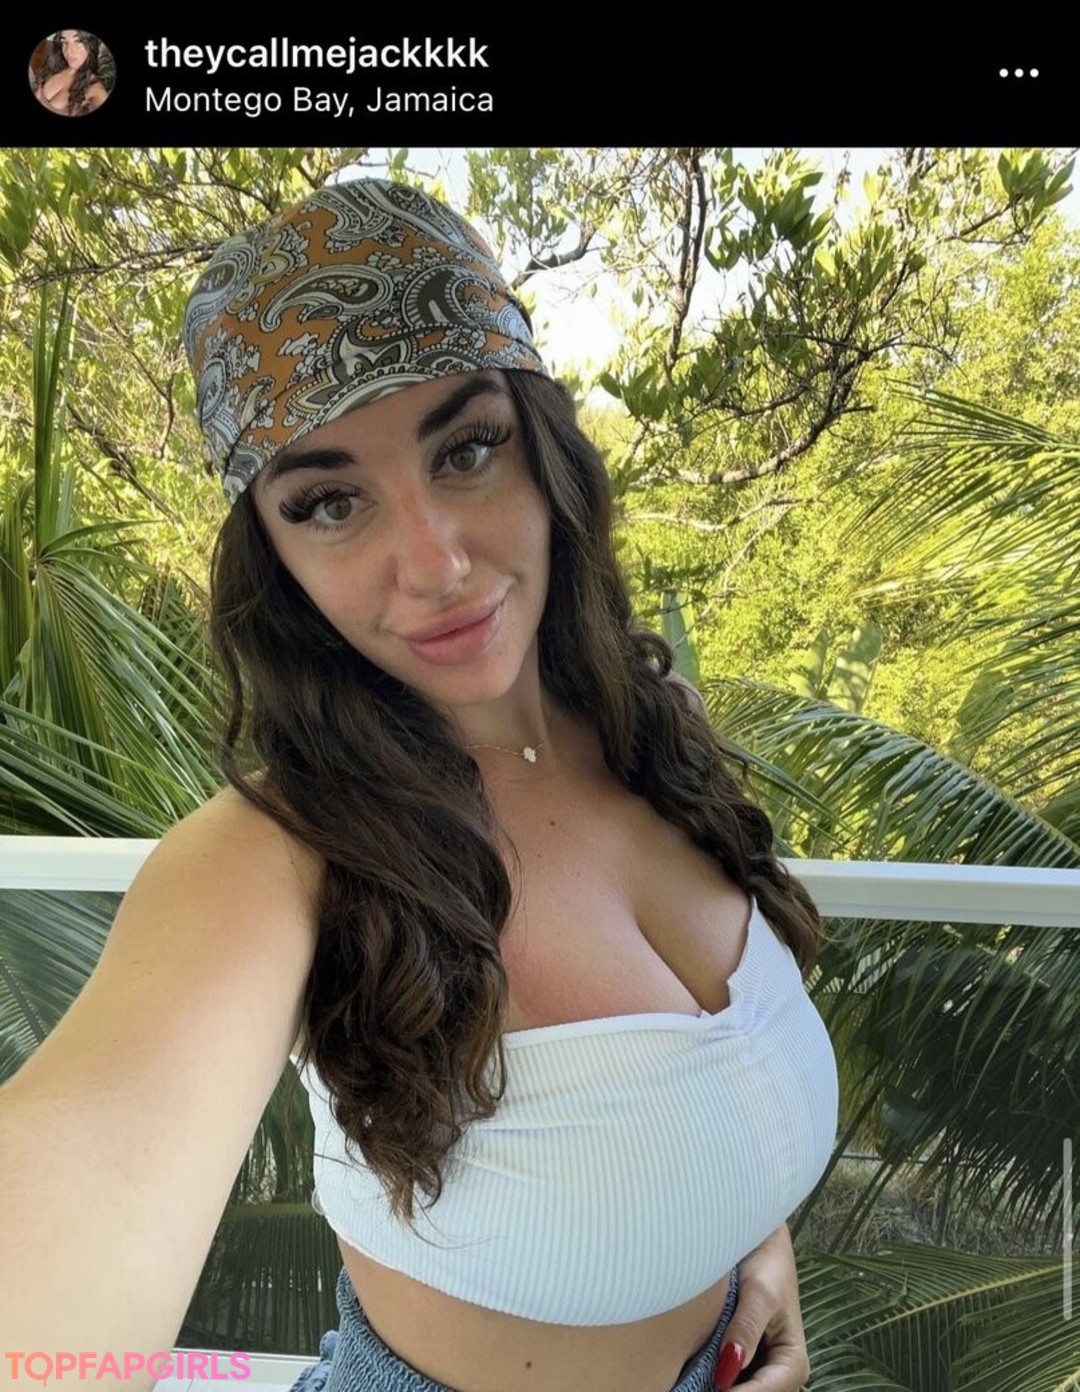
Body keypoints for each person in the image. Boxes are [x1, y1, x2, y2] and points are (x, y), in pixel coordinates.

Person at [0, 179, 838, 1392]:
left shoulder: (660, 738)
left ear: (543, 452)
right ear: (276, 558)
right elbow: (68, 1220)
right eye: (331, 502)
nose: (436, 562)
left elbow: (707, 1088)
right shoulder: (277, 862)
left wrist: (754, 1252)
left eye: (468, 448)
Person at [32, 30, 110, 116]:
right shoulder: (55, 66)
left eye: (77, 41)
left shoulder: (95, 89)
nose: (68, 51)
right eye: (64, 42)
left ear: (90, 45)